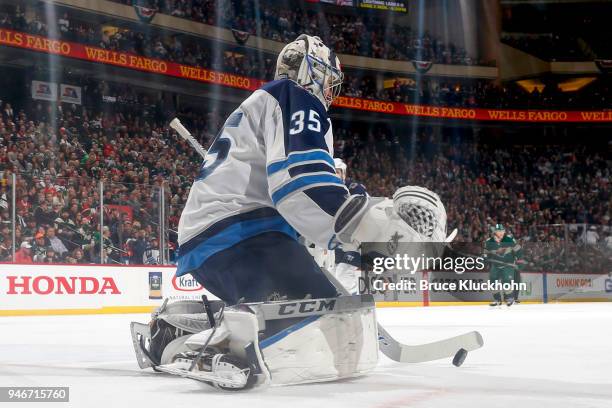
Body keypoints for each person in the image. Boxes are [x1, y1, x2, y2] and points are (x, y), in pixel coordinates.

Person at [148, 35, 453, 388]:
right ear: (315, 71)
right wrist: (369, 230)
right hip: (240, 238)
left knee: (343, 320)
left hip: (231, 239)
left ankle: (175, 328)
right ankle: (219, 349)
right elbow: (299, 181)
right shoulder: (297, 97)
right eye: (330, 82)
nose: (329, 92)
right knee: (335, 328)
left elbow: (295, 187)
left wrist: (349, 222)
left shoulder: (269, 100)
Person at [485, 224, 523, 306]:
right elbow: (485, 253)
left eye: (502, 231)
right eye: (499, 231)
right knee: (492, 282)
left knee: (506, 281)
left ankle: (509, 298)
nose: (501, 233)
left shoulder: (509, 240)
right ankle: (497, 299)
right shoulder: (489, 241)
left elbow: (518, 250)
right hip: (495, 265)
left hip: (508, 265)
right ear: (495, 232)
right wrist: (484, 258)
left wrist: (519, 260)